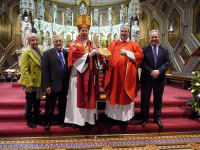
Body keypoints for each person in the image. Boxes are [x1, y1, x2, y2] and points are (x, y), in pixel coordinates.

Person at [103, 24, 144, 127]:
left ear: (128, 33)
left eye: (125, 31)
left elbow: (140, 56)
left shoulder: (134, 45)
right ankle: (111, 118)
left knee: (124, 97)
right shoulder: (113, 44)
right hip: (114, 77)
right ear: (119, 32)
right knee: (113, 96)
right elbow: (106, 59)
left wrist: (127, 53)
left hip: (127, 78)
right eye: (122, 31)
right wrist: (106, 60)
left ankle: (124, 119)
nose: (123, 33)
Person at [64, 14, 100, 127]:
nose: (84, 32)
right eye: (82, 30)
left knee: (89, 97)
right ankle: (76, 120)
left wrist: (97, 54)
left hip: (89, 76)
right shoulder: (74, 44)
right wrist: (90, 54)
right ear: (78, 31)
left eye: (86, 30)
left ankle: (88, 120)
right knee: (75, 98)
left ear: (88, 31)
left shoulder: (91, 44)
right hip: (77, 75)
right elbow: (75, 56)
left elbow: (97, 59)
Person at [140, 29, 170, 129]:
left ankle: (157, 118)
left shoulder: (164, 50)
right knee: (145, 99)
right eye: (152, 37)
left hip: (159, 79)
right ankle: (144, 119)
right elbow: (141, 63)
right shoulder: (144, 50)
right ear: (149, 39)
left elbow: (167, 63)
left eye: (155, 37)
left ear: (159, 38)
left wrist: (158, 71)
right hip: (147, 78)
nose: (154, 39)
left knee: (158, 99)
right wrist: (151, 71)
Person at [42, 35, 70, 129]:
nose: (58, 43)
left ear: (63, 42)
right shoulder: (47, 53)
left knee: (63, 104)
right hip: (52, 84)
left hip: (64, 83)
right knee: (50, 104)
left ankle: (61, 120)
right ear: (53, 43)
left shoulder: (67, 53)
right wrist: (47, 85)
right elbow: (45, 71)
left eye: (60, 41)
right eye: (56, 41)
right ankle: (47, 121)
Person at [18, 33, 43, 128]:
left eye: (36, 40)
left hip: (38, 81)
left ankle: (36, 118)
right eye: (32, 40)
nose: (35, 42)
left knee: (37, 101)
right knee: (29, 101)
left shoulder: (40, 50)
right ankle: (29, 119)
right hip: (30, 82)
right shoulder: (26, 52)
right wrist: (28, 84)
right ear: (29, 42)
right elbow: (24, 69)